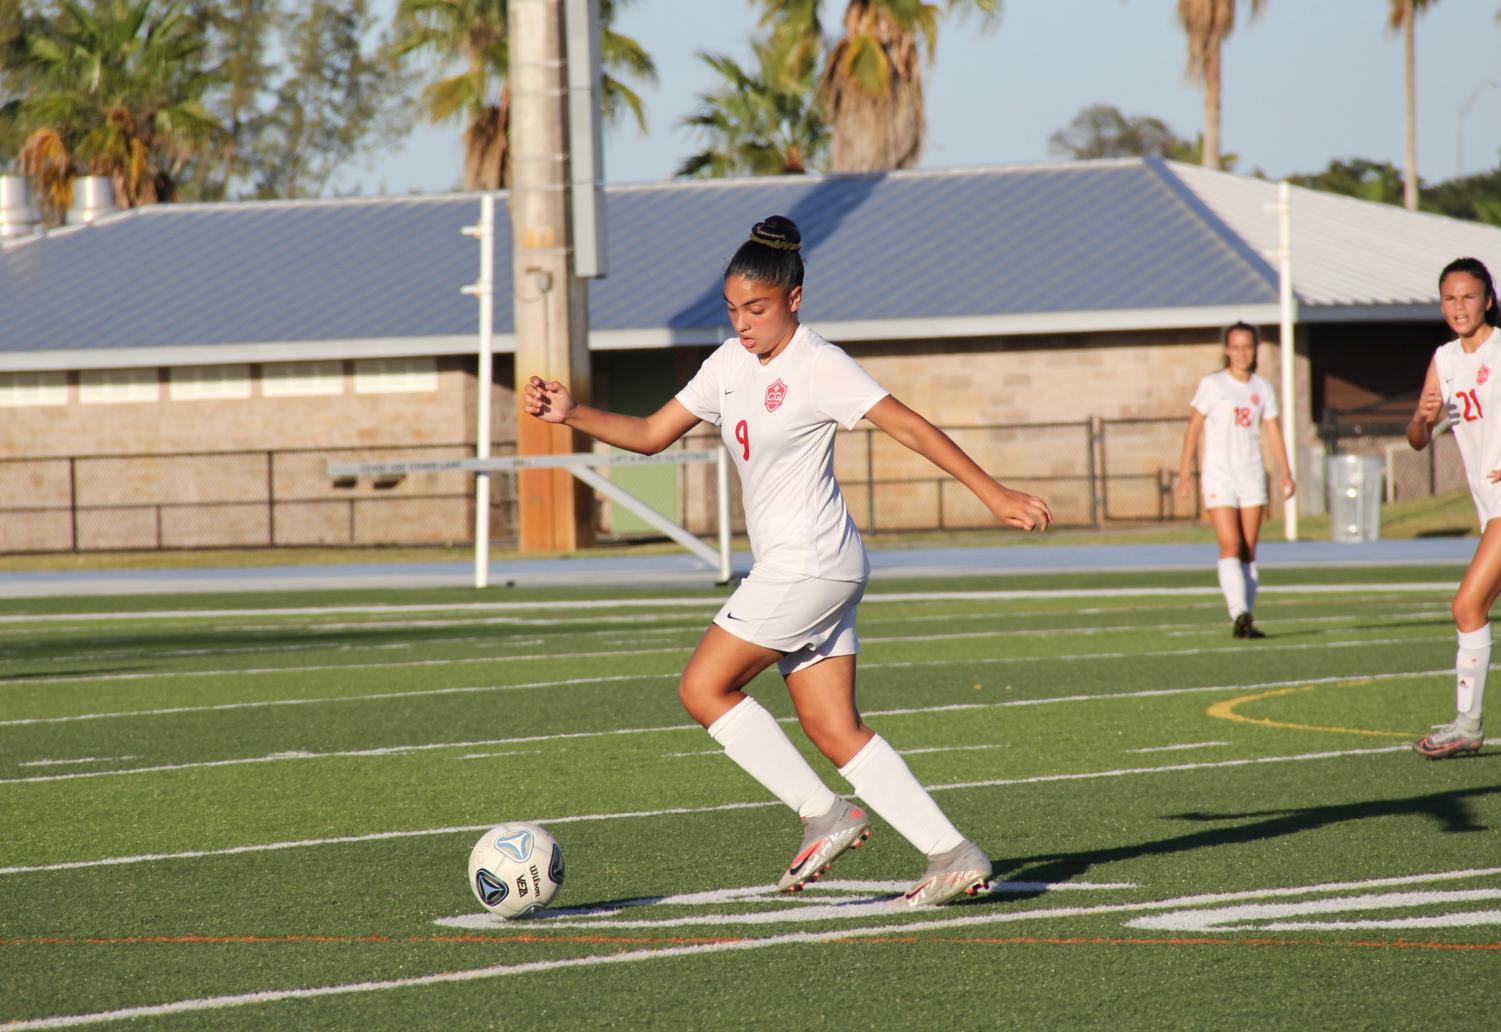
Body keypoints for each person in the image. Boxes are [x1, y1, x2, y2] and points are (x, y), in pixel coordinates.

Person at [523, 215, 1053, 906]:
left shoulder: (818, 363)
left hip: (810, 561)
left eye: (757, 309)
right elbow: (652, 435)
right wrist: (572, 413)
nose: (743, 323)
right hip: (813, 565)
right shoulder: (726, 364)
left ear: (794, 300)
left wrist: (992, 492)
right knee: (833, 728)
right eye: (733, 309)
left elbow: (910, 426)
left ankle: (822, 814)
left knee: (702, 689)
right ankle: (951, 854)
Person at [1406, 256, 1501, 760]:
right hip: (1489, 505)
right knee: (1473, 608)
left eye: (1468, 296)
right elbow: (1417, 439)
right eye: (1449, 298)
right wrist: (1423, 420)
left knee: (1467, 606)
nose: (1459, 307)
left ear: (1488, 299)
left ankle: (1468, 724)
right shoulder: (1443, 360)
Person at [1175, 322, 1295, 638]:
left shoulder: (1262, 388)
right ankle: (1238, 612)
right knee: (1230, 543)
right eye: (1236, 346)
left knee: (1249, 549)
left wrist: (1285, 471)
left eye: (1248, 346)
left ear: (1254, 349)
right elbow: (1193, 428)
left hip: (1251, 473)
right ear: (1227, 350)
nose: (1242, 353)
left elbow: (1272, 431)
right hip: (1219, 474)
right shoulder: (1213, 385)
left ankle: (1247, 620)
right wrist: (1185, 472)